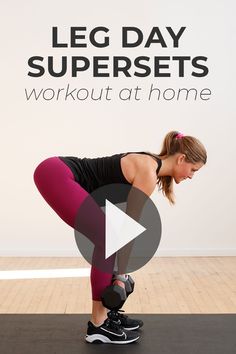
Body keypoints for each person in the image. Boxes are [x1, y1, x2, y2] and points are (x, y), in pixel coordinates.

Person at [33, 130, 207, 344]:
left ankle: (106, 315)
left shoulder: (151, 165)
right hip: (55, 174)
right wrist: (121, 277)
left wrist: (119, 276)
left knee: (109, 238)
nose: (191, 175)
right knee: (107, 239)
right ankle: (98, 325)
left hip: (56, 170)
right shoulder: (148, 173)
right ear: (181, 159)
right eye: (193, 169)